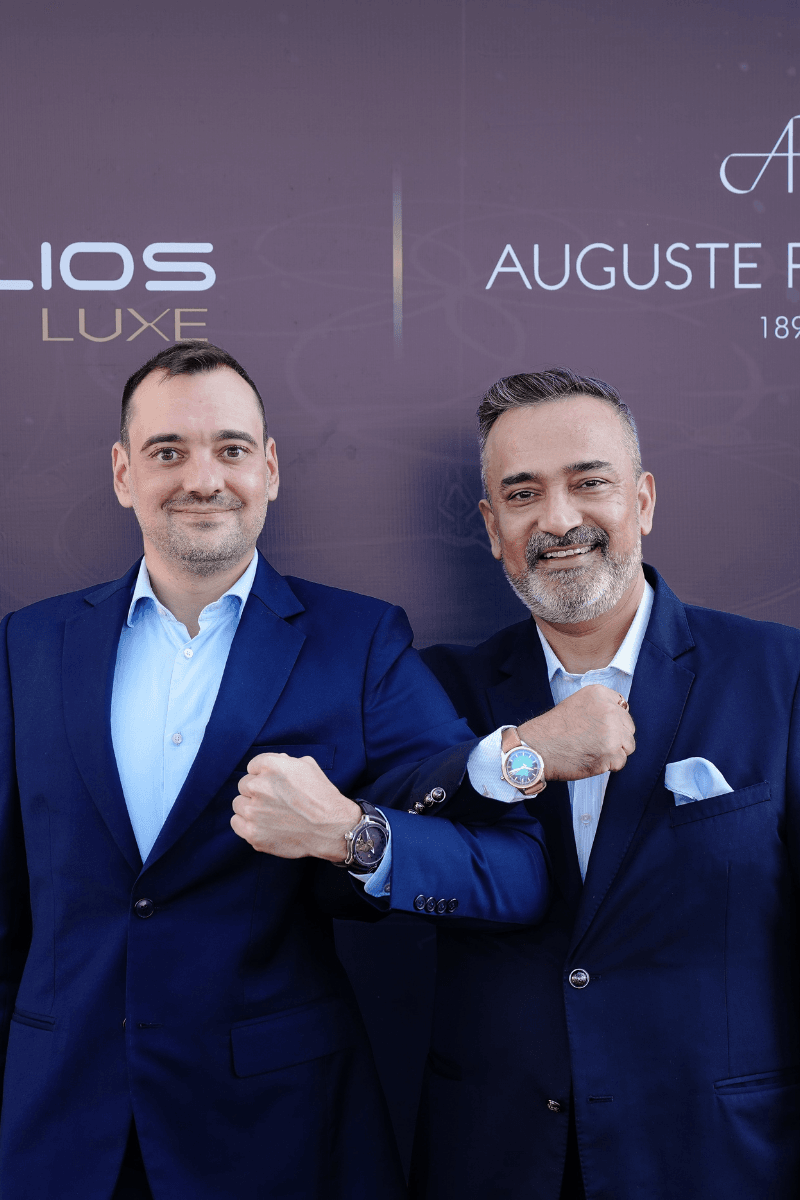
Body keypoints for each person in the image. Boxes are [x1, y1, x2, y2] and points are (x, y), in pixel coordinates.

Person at [0, 343, 550, 1200]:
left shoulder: (357, 643)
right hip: (60, 1130)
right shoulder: (28, 646)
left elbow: (513, 868)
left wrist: (355, 836)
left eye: (230, 448)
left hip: (273, 1135)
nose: (203, 479)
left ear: (270, 468)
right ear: (122, 474)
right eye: (168, 451)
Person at [412, 369, 800, 1200]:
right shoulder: (438, 692)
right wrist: (519, 754)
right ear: (492, 526)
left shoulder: (781, 673)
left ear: (643, 501)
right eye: (522, 494)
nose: (558, 520)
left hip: (719, 1160)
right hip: (500, 1160)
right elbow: (360, 868)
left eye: (589, 483)